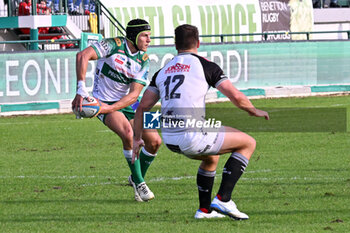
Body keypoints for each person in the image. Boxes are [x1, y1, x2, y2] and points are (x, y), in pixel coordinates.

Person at [132, 24, 269, 219]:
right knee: (248, 143)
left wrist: (138, 138)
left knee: (211, 157)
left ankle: (204, 210)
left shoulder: (163, 71)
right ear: (198, 42)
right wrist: (253, 110)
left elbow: (143, 107)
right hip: (191, 135)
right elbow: (236, 96)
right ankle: (224, 199)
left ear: (175, 45)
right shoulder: (205, 65)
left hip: (170, 138)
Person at [72, 19, 162, 202]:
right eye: (145, 35)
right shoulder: (113, 44)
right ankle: (139, 183)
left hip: (125, 103)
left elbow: (134, 94)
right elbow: (82, 56)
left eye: (149, 36)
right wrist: (81, 89)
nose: (149, 40)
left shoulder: (144, 60)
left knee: (155, 141)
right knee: (128, 134)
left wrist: (109, 108)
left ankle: (135, 177)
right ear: (133, 36)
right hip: (102, 100)